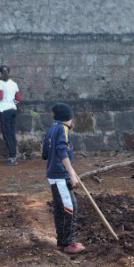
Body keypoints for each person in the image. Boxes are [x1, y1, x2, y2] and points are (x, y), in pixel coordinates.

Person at [42, 102, 84, 254]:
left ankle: (62, 242)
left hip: (54, 174)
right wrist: (71, 173)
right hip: (61, 175)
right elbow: (61, 151)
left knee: (61, 208)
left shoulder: (51, 129)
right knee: (69, 208)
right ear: (68, 118)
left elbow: (45, 153)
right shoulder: (63, 129)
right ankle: (69, 243)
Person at [0, 65, 21, 164]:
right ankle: (13, 155)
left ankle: (12, 157)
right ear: (9, 73)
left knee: (7, 134)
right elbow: (18, 99)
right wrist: (11, 103)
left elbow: (0, 97)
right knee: (11, 133)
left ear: (0, 73)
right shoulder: (14, 84)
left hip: (4, 110)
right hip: (13, 109)